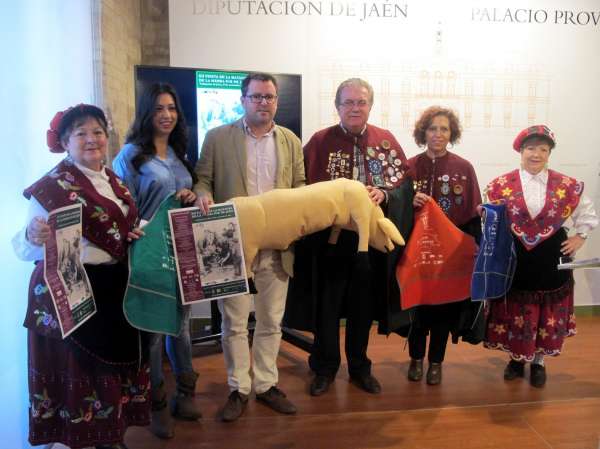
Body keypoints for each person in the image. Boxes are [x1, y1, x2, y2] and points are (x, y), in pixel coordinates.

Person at [12, 104, 149, 449]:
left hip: (112, 292)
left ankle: (110, 435)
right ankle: (81, 440)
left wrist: (143, 231)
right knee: (82, 376)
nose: (92, 139)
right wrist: (32, 235)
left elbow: (124, 227)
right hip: (71, 296)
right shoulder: (52, 188)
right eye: (81, 133)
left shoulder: (112, 180)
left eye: (98, 131)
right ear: (65, 142)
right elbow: (26, 248)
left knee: (109, 374)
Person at [194, 72, 305, 422]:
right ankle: (239, 388)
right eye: (256, 97)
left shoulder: (290, 141)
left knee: (272, 320)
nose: (263, 103)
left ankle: (266, 385)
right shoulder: (217, 137)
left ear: (276, 101)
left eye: (269, 97)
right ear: (242, 100)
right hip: (232, 246)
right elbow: (203, 180)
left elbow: (300, 185)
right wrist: (203, 194)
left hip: (276, 246)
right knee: (235, 322)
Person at [299, 78, 409, 397]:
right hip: (331, 243)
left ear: (370, 106)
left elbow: (404, 184)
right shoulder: (320, 142)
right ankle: (324, 368)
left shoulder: (385, 140)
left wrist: (385, 194)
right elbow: (302, 185)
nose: (354, 108)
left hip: (370, 242)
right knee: (328, 308)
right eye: (348, 102)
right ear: (337, 107)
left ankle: (360, 367)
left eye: (361, 102)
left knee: (363, 308)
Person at [112, 83, 199, 439]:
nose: (167, 115)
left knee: (181, 325)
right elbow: (121, 205)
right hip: (149, 253)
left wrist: (191, 195)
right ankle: (157, 402)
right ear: (148, 112)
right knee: (151, 331)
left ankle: (186, 393)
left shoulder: (179, 152)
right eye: (160, 108)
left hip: (182, 250)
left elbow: (185, 197)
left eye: (172, 109)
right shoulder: (130, 155)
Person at [483, 125, 598, 387]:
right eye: (531, 148)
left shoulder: (565, 185)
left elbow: (588, 215)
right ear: (521, 151)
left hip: (551, 257)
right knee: (518, 309)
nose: (537, 154)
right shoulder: (501, 185)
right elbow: (491, 220)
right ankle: (516, 359)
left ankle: (538, 361)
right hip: (516, 257)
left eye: (543, 149)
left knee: (545, 309)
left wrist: (580, 236)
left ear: (549, 153)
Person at [403, 106, 482, 386]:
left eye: (444, 129)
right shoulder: (409, 166)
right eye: (433, 128)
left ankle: (436, 363)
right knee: (418, 308)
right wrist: (408, 202)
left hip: (451, 255)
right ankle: (415, 358)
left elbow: (473, 217)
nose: (438, 134)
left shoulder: (464, 168)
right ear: (423, 132)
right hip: (417, 251)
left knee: (443, 311)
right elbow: (396, 210)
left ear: (452, 134)